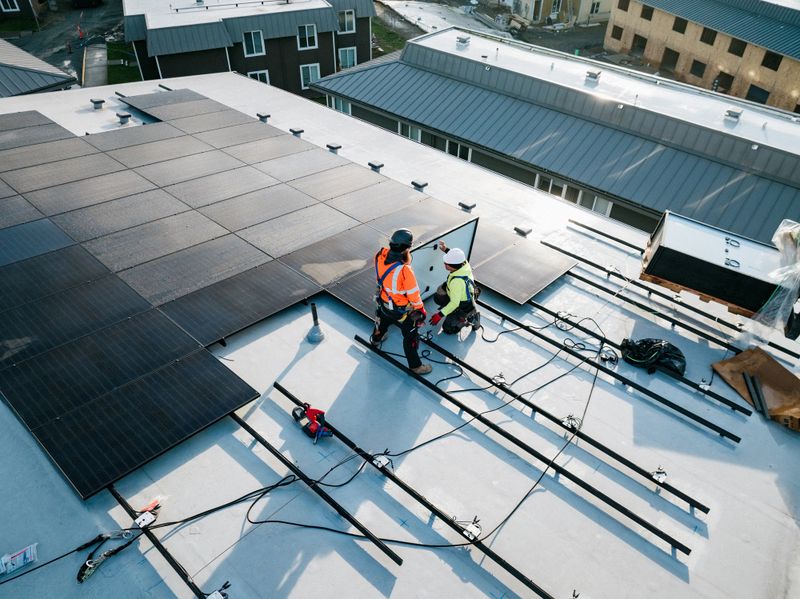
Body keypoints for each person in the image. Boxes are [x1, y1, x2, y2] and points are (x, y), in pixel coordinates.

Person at [370, 229, 432, 375]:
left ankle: (375, 340)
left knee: (382, 323)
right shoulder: (405, 271)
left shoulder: (380, 255)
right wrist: (421, 310)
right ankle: (415, 366)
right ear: (407, 248)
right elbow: (413, 295)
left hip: (384, 304)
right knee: (410, 337)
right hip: (401, 311)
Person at [429, 240, 480, 334]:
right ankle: (450, 310)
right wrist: (446, 249)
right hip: (461, 293)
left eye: (446, 263)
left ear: (452, 266)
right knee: (438, 297)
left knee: (448, 329)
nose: (444, 264)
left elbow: (455, 303)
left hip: (462, 305)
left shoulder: (457, 282)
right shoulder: (464, 263)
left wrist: (439, 315)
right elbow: (457, 258)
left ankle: (469, 318)